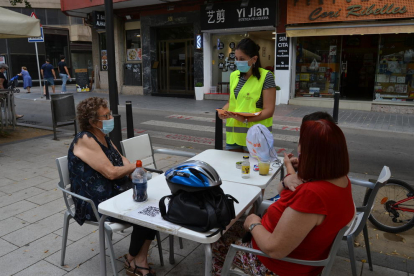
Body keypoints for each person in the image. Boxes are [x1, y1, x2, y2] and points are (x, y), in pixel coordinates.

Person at [212, 119, 355, 276]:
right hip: (297, 252)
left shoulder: (312, 195)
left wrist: (253, 224)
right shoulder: (341, 181)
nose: (298, 149)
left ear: (310, 154)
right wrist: (293, 172)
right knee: (229, 225)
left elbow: (274, 249)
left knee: (216, 238)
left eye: (301, 145)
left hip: (276, 265)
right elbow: (285, 191)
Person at [68, 97, 156, 276]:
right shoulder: (85, 138)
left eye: (109, 113)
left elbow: (122, 161)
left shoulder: (104, 136)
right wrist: (133, 168)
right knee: (145, 211)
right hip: (93, 200)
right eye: (106, 115)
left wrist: (132, 170)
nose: (110, 118)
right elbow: (111, 172)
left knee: (153, 206)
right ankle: (135, 259)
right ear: (93, 122)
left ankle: (138, 259)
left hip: (113, 191)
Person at [218, 38, 276, 152]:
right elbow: (231, 102)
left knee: (253, 169)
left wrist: (245, 119)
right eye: (236, 58)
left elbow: (269, 110)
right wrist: (223, 111)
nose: (238, 62)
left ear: (254, 59)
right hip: (234, 137)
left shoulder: (266, 77)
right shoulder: (234, 75)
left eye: (242, 59)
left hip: (255, 136)